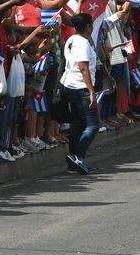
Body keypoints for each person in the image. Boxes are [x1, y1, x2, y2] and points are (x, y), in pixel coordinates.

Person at [60, 13, 99, 175]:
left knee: (79, 124)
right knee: (93, 125)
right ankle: (77, 156)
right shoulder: (83, 43)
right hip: (80, 87)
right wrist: (91, 91)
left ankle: (73, 164)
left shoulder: (71, 39)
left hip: (69, 85)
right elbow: (83, 67)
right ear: (89, 26)